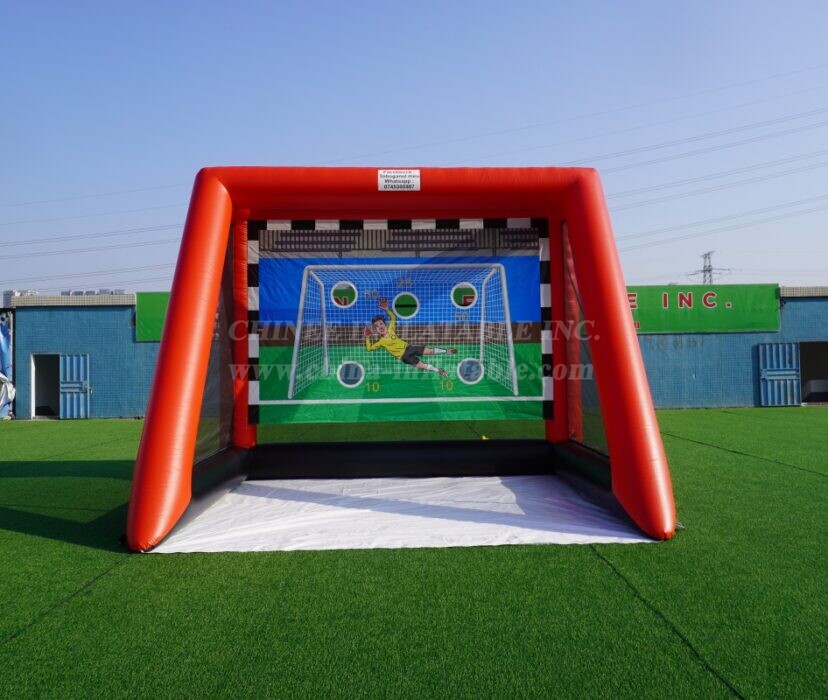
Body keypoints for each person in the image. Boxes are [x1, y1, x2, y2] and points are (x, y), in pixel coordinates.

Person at [364, 298, 456, 378]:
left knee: (430, 351)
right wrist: (367, 337)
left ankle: (446, 351)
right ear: (376, 330)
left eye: (381, 323)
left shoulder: (391, 329)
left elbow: (393, 317)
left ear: (385, 324)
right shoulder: (381, 342)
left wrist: (386, 309)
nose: (380, 326)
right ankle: (438, 370)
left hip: (409, 348)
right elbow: (369, 348)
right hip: (404, 357)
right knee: (422, 366)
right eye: (376, 326)